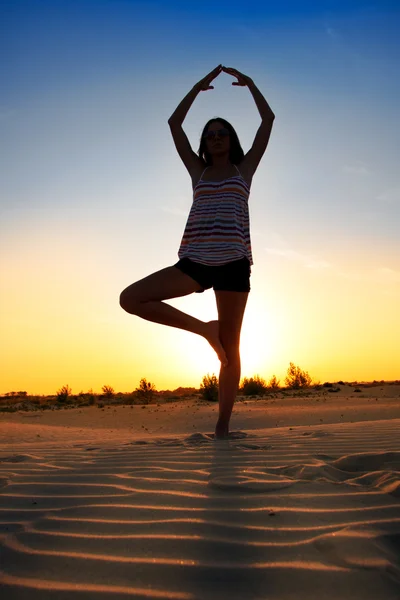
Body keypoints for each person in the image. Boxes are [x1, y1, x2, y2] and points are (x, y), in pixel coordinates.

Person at [120, 64, 275, 439]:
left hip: (234, 264)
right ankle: (204, 329)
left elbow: (268, 120)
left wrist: (251, 85)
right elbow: (174, 124)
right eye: (211, 134)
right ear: (204, 144)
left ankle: (223, 425)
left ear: (230, 140)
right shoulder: (198, 171)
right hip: (194, 262)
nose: (217, 137)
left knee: (233, 348)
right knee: (131, 298)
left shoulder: (244, 169)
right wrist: (197, 87)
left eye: (223, 133)